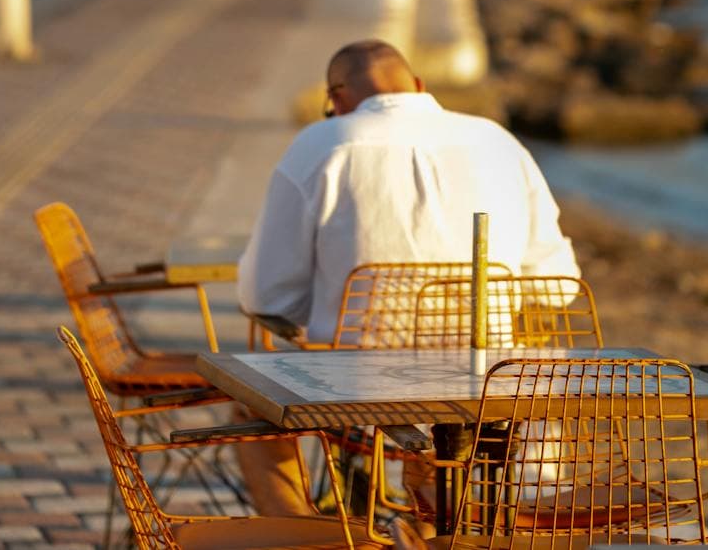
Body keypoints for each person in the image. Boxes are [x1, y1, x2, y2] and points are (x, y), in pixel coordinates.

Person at [233, 39, 581, 518]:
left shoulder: (323, 143)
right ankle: (434, 516)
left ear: (336, 99)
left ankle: (303, 536)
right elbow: (558, 288)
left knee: (251, 410)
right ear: (418, 87)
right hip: (486, 383)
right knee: (441, 421)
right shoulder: (499, 141)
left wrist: (333, 303)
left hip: (360, 389)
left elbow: (266, 296)